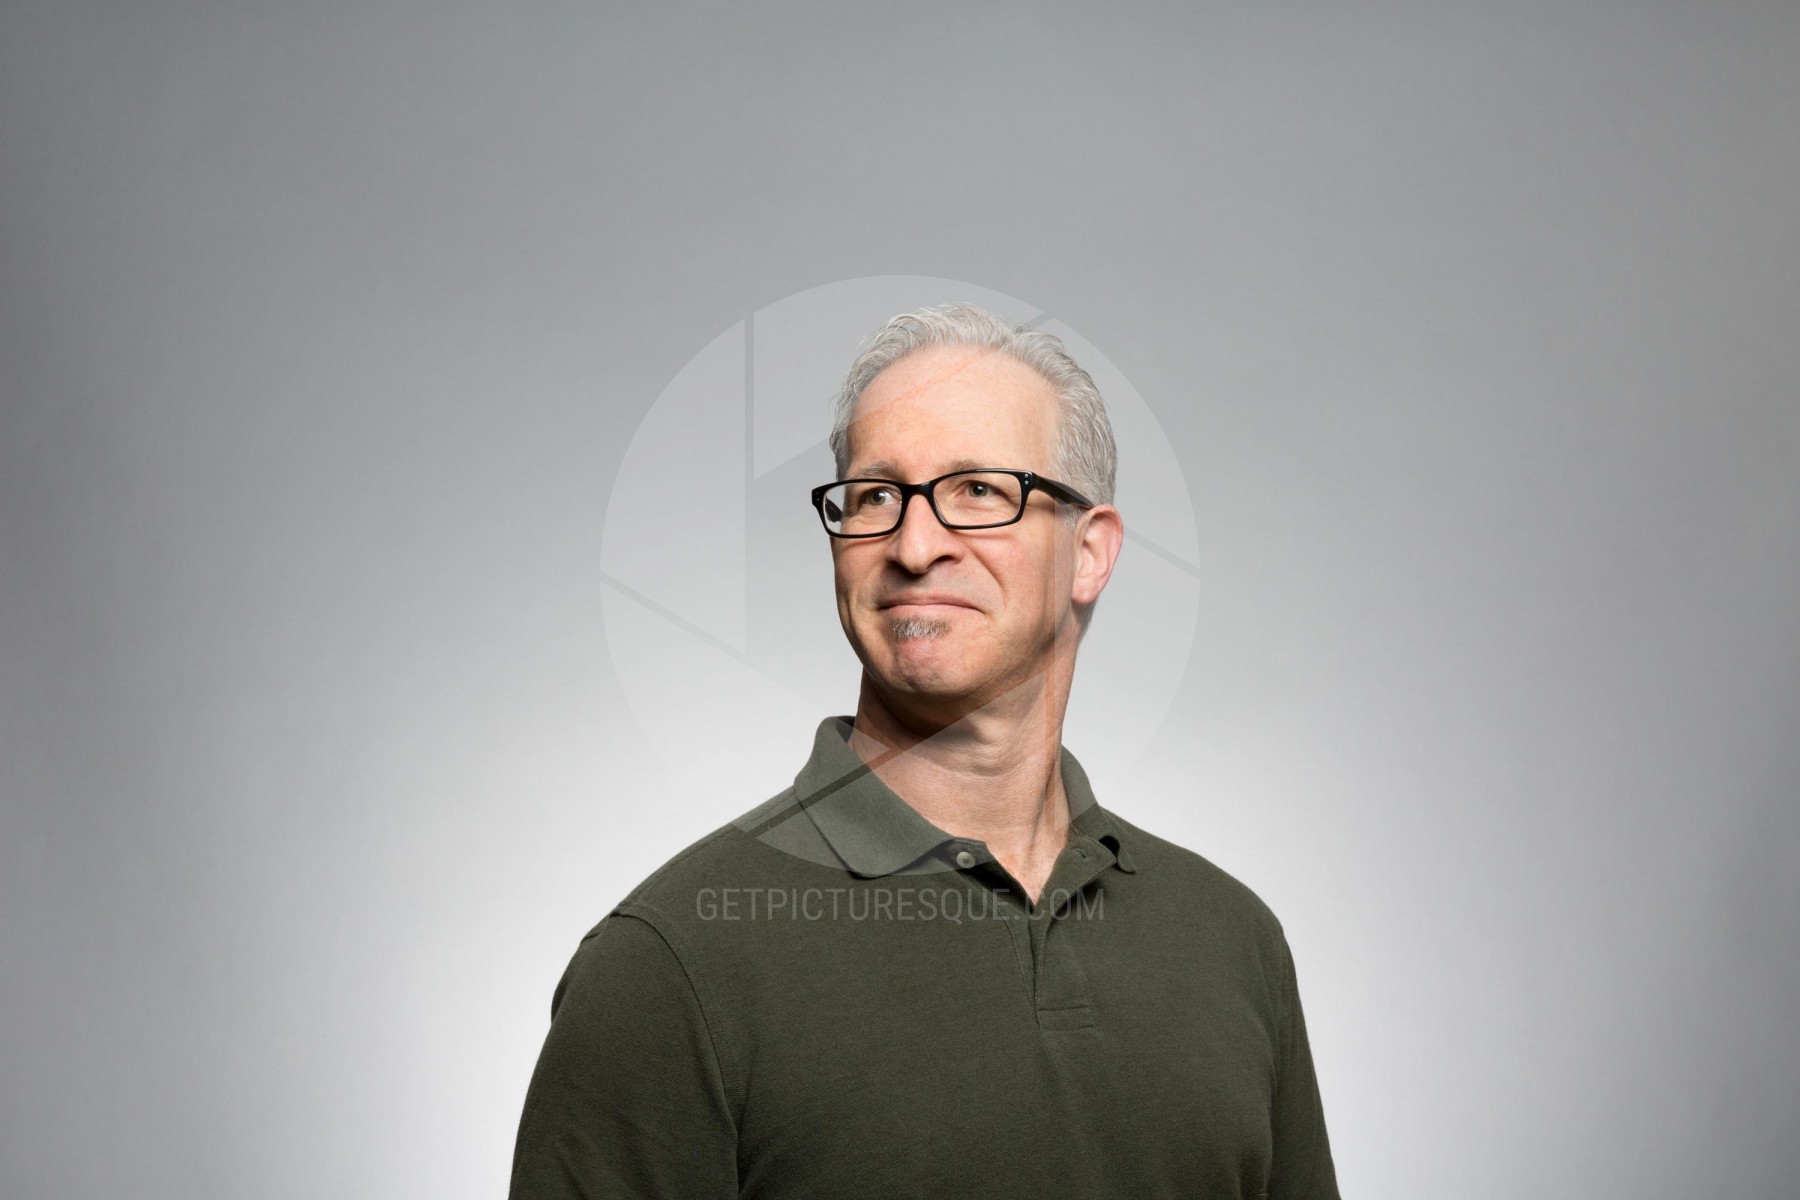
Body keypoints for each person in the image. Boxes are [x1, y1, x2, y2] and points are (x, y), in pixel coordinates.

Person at [508, 305, 1341, 1198]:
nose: (913, 546)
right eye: (875, 497)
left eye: (978, 489)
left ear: (1090, 553)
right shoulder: (668, 966)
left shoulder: (1232, 941)